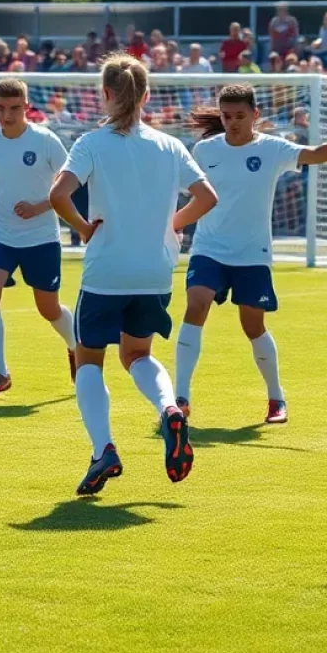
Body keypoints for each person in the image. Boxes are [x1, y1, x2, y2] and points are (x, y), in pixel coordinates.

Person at [49, 54, 217, 495]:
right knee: (137, 356)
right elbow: (207, 197)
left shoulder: (91, 143)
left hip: (107, 268)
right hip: (155, 269)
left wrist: (84, 228)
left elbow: (58, 194)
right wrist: (172, 225)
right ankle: (168, 409)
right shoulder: (169, 145)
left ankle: (103, 448)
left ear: (105, 94)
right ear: (145, 96)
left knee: (89, 360)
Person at [174, 85, 327, 423]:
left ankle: (276, 399)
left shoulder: (273, 149)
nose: (233, 122)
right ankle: (180, 397)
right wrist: (174, 224)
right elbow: (188, 192)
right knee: (197, 302)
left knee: (253, 325)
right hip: (208, 248)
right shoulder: (204, 149)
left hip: (252, 253)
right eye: (227, 116)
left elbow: (319, 153)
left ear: (256, 115)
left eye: (240, 116)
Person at [0, 79, 76, 403]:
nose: (7, 115)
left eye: (15, 108)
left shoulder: (46, 140)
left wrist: (40, 206)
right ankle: (0, 374)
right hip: (0, 233)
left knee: (48, 308)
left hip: (41, 237)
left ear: (27, 106)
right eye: (1, 108)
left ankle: (76, 348)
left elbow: (71, 182)